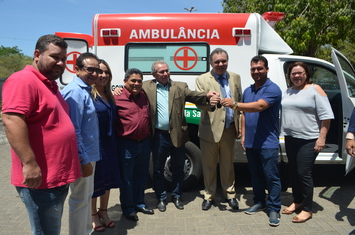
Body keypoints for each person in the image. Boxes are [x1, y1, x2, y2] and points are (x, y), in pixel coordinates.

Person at [1, 34, 81, 235]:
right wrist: (29, 163)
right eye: (55, 57)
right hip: (40, 180)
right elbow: (11, 120)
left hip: (56, 177)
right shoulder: (23, 80)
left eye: (64, 59)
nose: (61, 63)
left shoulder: (49, 84)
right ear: (37, 54)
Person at [145, 60, 218, 212]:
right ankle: (161, 198)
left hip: (178, 134)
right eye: (161, 72)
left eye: (167, 70)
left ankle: (177, 196)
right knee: (158, 170)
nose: (166, 74)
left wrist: (207, 95)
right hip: (159, 136)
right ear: (154, 74)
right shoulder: (146, 87)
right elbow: (130, 90)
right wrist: (119, 90)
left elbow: (194, 95)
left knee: (178, 168)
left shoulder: (180, 86)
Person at [221, 55, 282, 226]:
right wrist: (244, 135)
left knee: (271, 177)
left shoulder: (273, 89)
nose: (256, 72)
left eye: (260, 68)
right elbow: (245, 115)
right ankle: (260, 201)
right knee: (255, 176)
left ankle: (274, 208)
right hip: (251, 142)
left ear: (267, 69)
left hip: (267, 142)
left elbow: (259, 106)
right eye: (253, 69)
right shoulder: (248, 91)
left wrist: (234, 104)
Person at [280, 62, 333, 223]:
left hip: (309, 139)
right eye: (293, 73)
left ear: (306, 74)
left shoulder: (315, 89)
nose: (297, 76)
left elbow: (326, 116)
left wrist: (321, 138)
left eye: (300, 73)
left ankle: (308, 209)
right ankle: (297, 201)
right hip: (291, 138)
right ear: (289, 76)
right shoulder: (288, 91)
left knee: (304, 173)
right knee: (294, 172)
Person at [195, 48, 241, 211]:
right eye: (217, 62)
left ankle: (230, 194)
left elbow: (239, 102)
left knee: (228, 165)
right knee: (209, 165)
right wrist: (209, 101)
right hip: (210, 130)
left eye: (223, 61)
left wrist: (240, 126)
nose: (221, 64)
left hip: (229, 129)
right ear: (211, 63)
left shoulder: (235, 77)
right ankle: (209, 195)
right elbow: (199, 103)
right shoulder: (202, 79)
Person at [61, 52, 101, 235]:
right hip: (82, 157)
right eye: (89, 69)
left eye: (97, 70)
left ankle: (85, 231)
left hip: (89, 155)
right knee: (79, 200)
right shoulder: (75, 92)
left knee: (86, 197)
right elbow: (73, 129)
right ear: (77, 70)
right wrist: (83, 159)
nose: (94, 73)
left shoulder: (85, 89)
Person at [114, 68, 153, 221]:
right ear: (125, 82)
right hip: (126, 144)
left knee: (141, 176)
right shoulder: (116, 97)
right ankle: (128, 208)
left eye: (139, 81)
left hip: (144, 143)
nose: (136, 84)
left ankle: (140, 203)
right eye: (133, 80)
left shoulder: (144, 95)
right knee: (127, 179)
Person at [91, 59, 122, 232]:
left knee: (107, 182)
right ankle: (93, 215)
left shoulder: (110, 95)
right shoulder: (89, 94)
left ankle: (104, 212)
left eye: (106, 72)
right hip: (96, 144)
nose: (103, 75)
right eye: (99, 72)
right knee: (95, 183)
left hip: (110, 144)